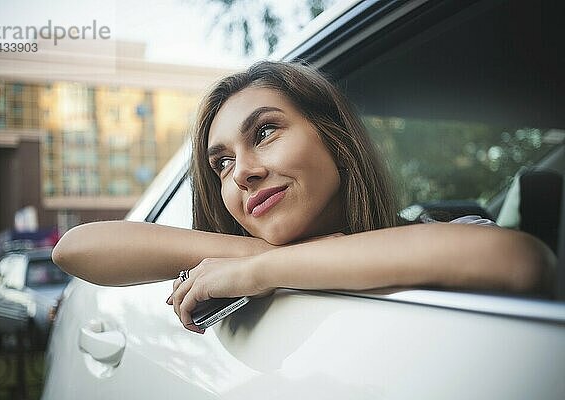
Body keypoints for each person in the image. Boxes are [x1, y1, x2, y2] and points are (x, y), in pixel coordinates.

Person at [52, 61, 556, 334]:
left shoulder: (437, 240)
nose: (242, 173)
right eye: (221, 162)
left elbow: (520, 259)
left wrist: (264, 269)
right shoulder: (235, 261)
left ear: (333, 137)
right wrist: (259, 255)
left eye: (266, 132)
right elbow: (75, 248)